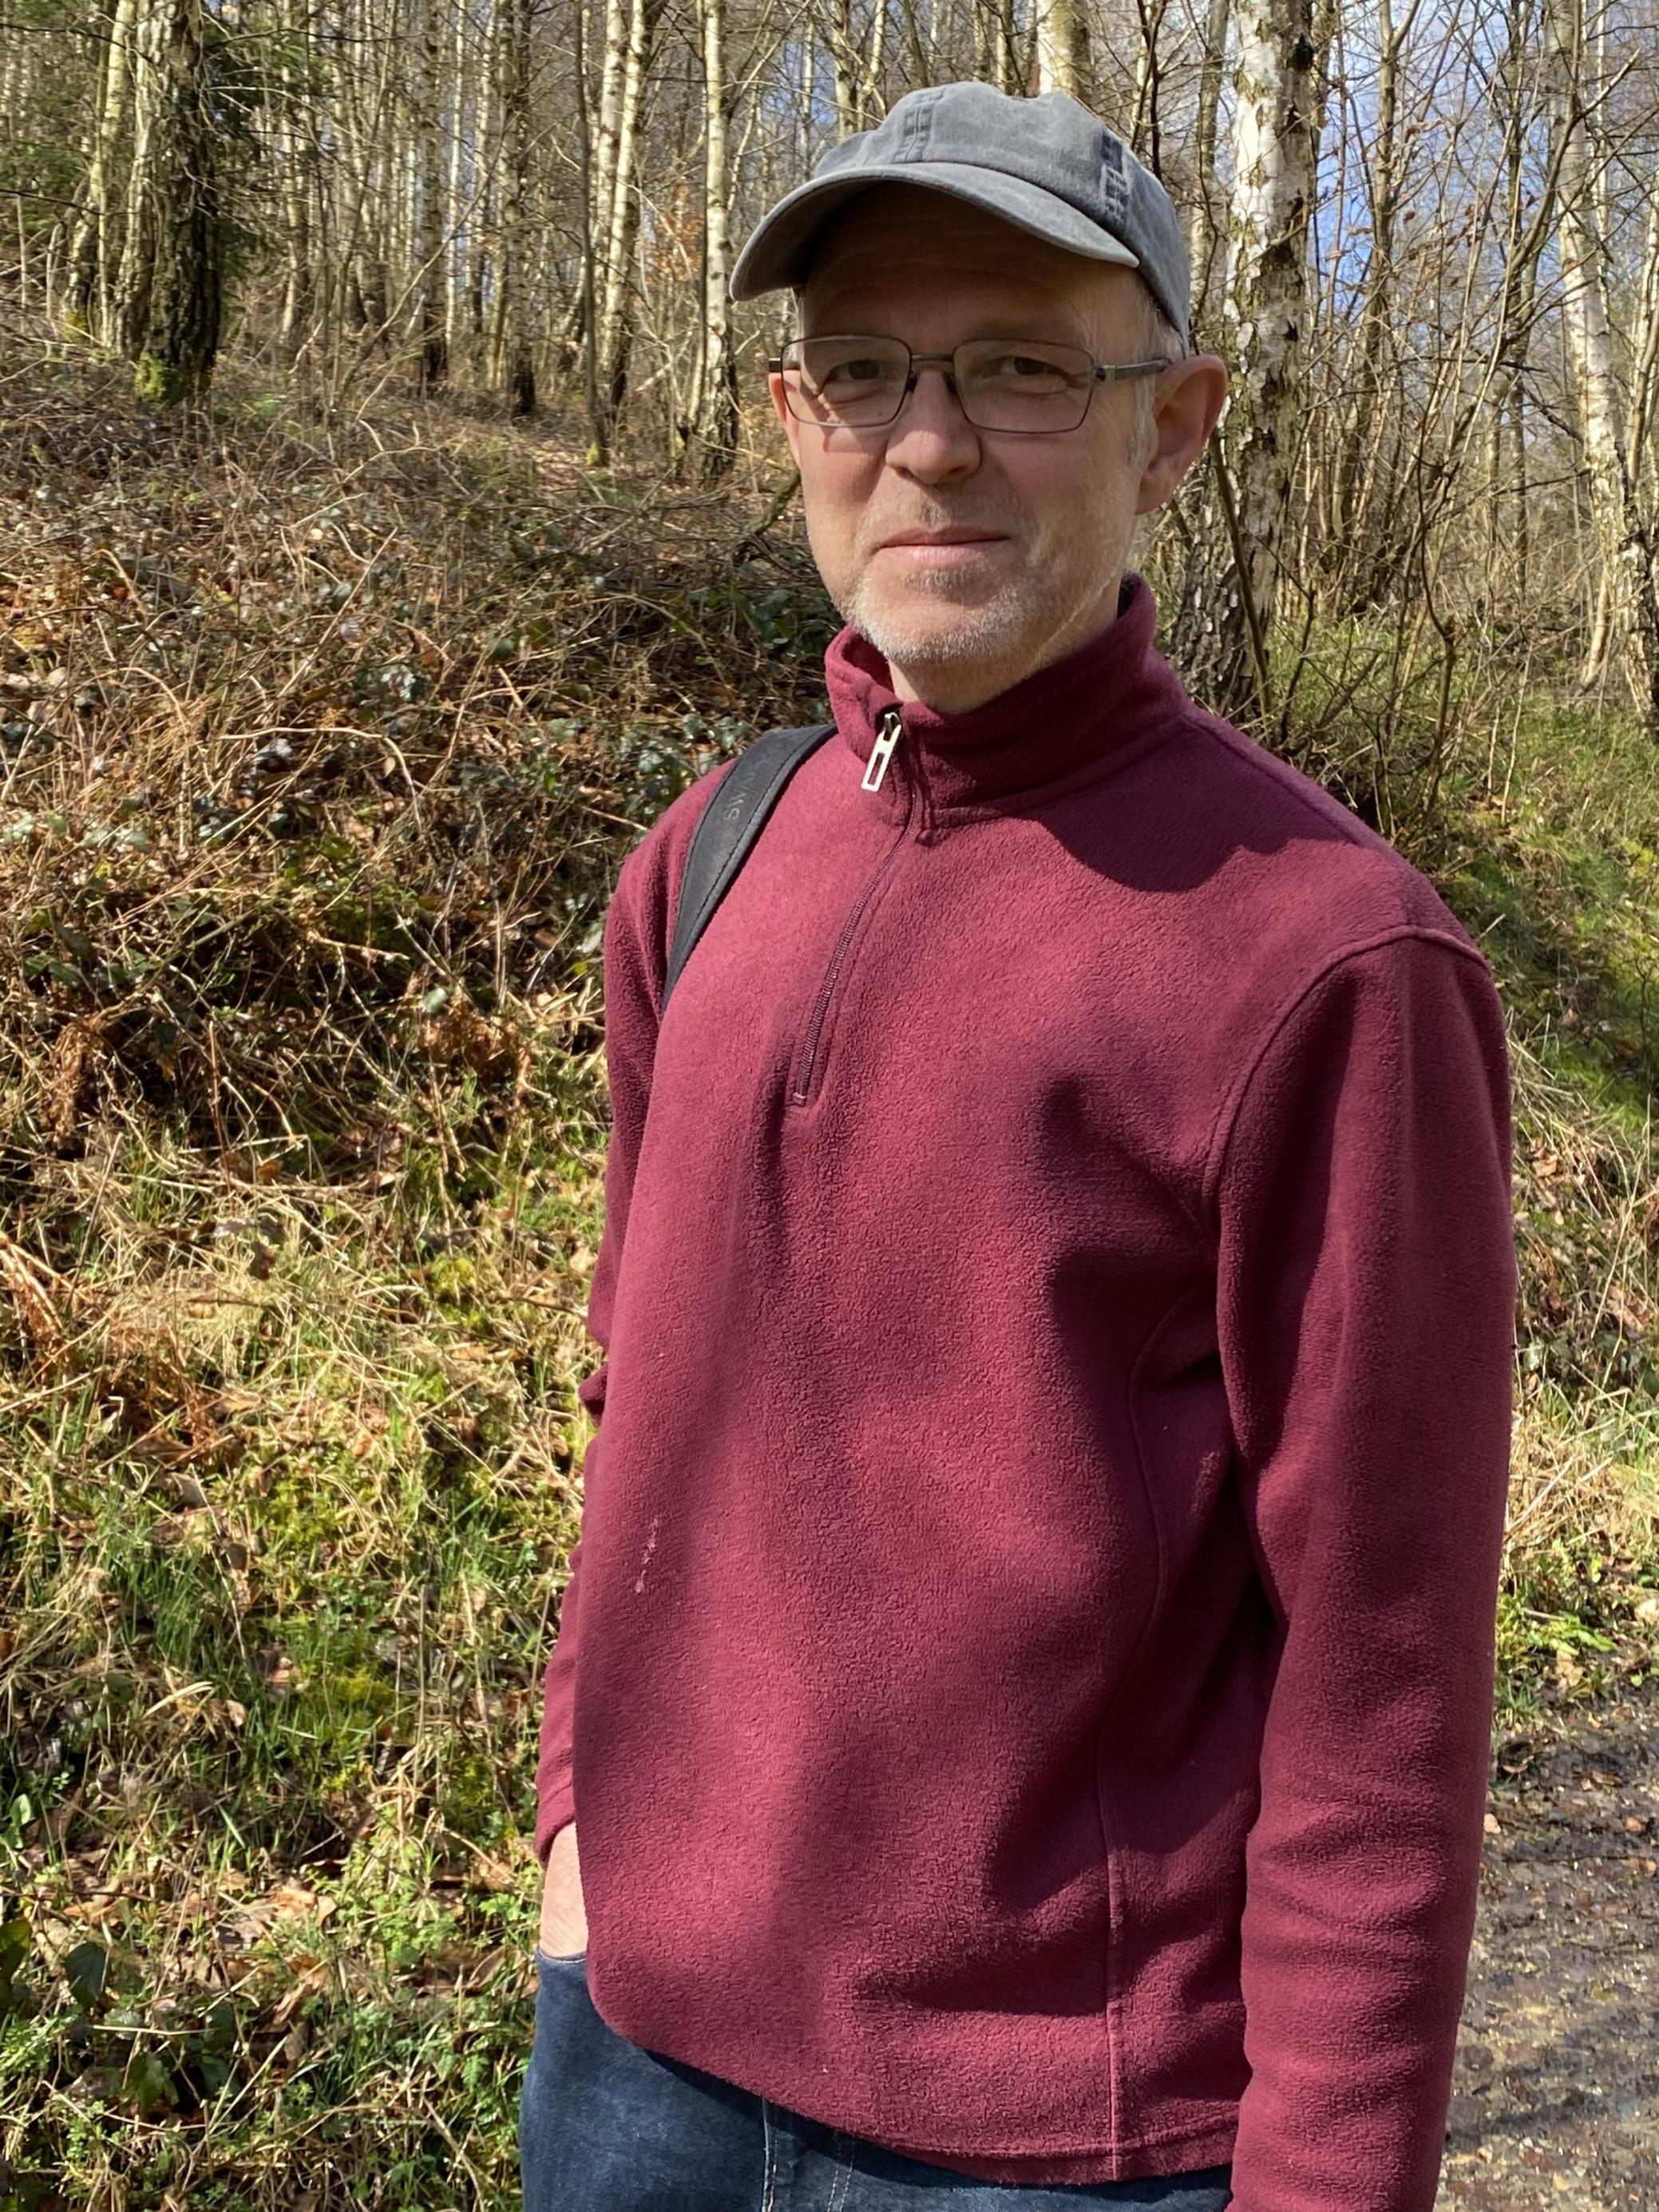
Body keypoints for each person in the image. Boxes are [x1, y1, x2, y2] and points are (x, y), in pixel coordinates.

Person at [521, 80, 1517, 2212]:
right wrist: (575, 1834)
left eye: (1020, 371)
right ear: (792, 411)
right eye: (866, 369)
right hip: (631, 2074)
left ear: (1177, 426)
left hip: (1049, 2160)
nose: (932, 441)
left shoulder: (1330, 961)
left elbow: (1382, 1691)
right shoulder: (705, 865)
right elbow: (634, 1405)